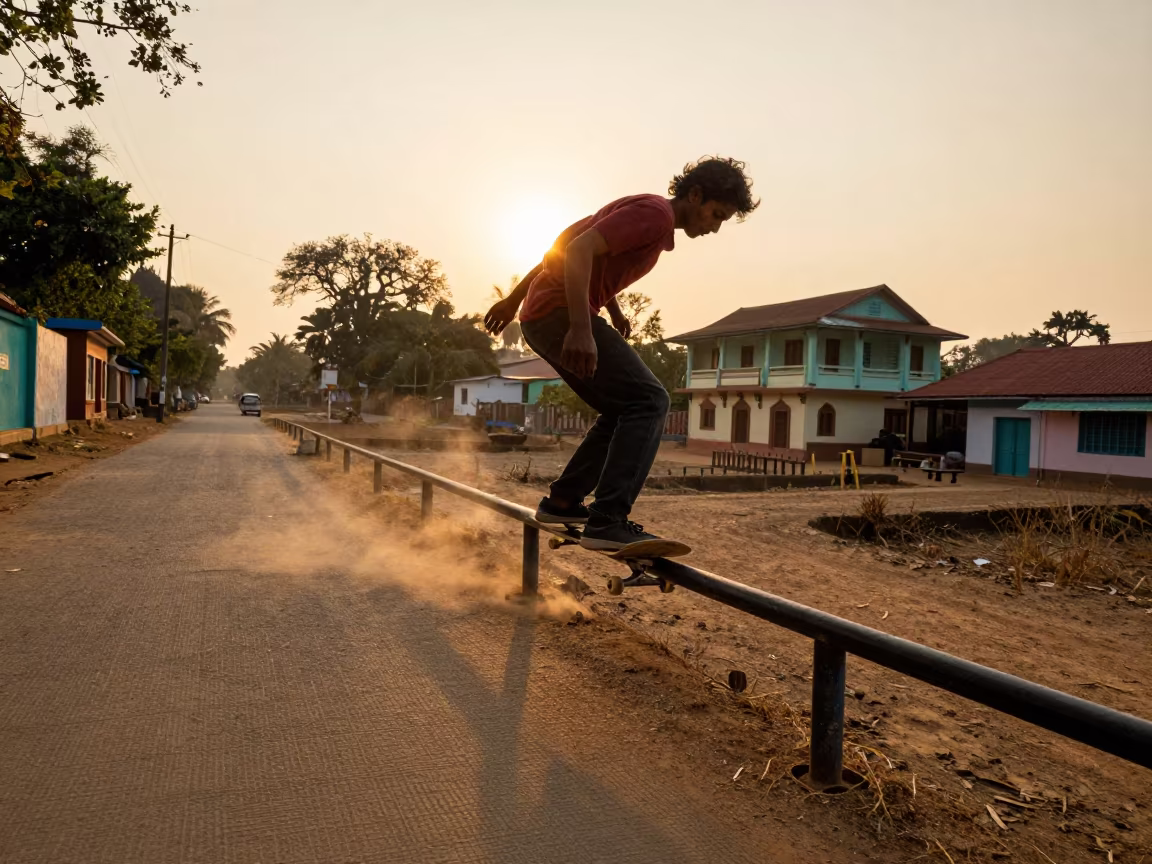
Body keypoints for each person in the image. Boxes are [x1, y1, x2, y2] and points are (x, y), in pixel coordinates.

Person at [484, 157, 759, 550]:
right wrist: (582, 327)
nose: (714, 227)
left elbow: (561, 246)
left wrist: (606, 307)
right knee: (650, 400)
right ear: (694, 195)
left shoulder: (643, 208)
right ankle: (608, 519)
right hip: (559, 315)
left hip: (543, 315)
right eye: (716, 214)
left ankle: (563, 501)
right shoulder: (655, 215)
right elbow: (578, 250)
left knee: (622, 408)